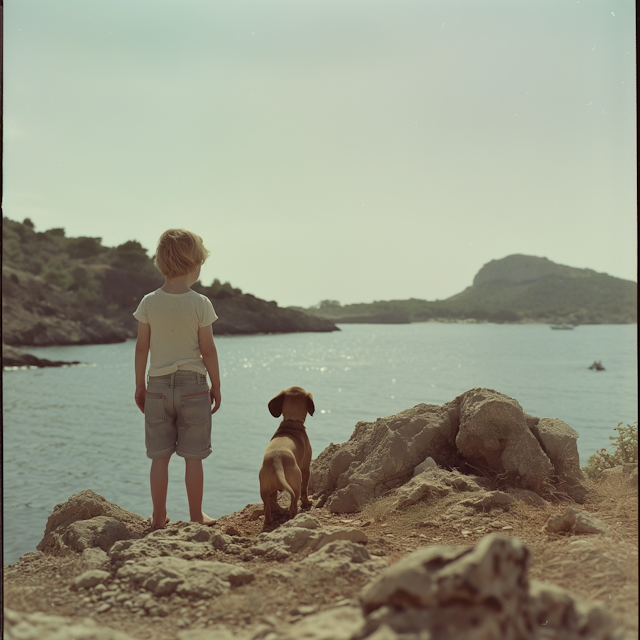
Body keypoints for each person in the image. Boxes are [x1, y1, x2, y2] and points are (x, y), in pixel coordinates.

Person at [133, 228, 221, 529]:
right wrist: (216, 385)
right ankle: (196, 516)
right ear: (194, 265)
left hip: (157, 387)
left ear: (161, 263)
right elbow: (207, 350)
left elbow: (142, 347)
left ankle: (158, 518)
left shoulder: (149, 302)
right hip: (192, 388)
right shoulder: (200, 303)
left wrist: (139, 385)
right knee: (193, 457)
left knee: (160, 457)